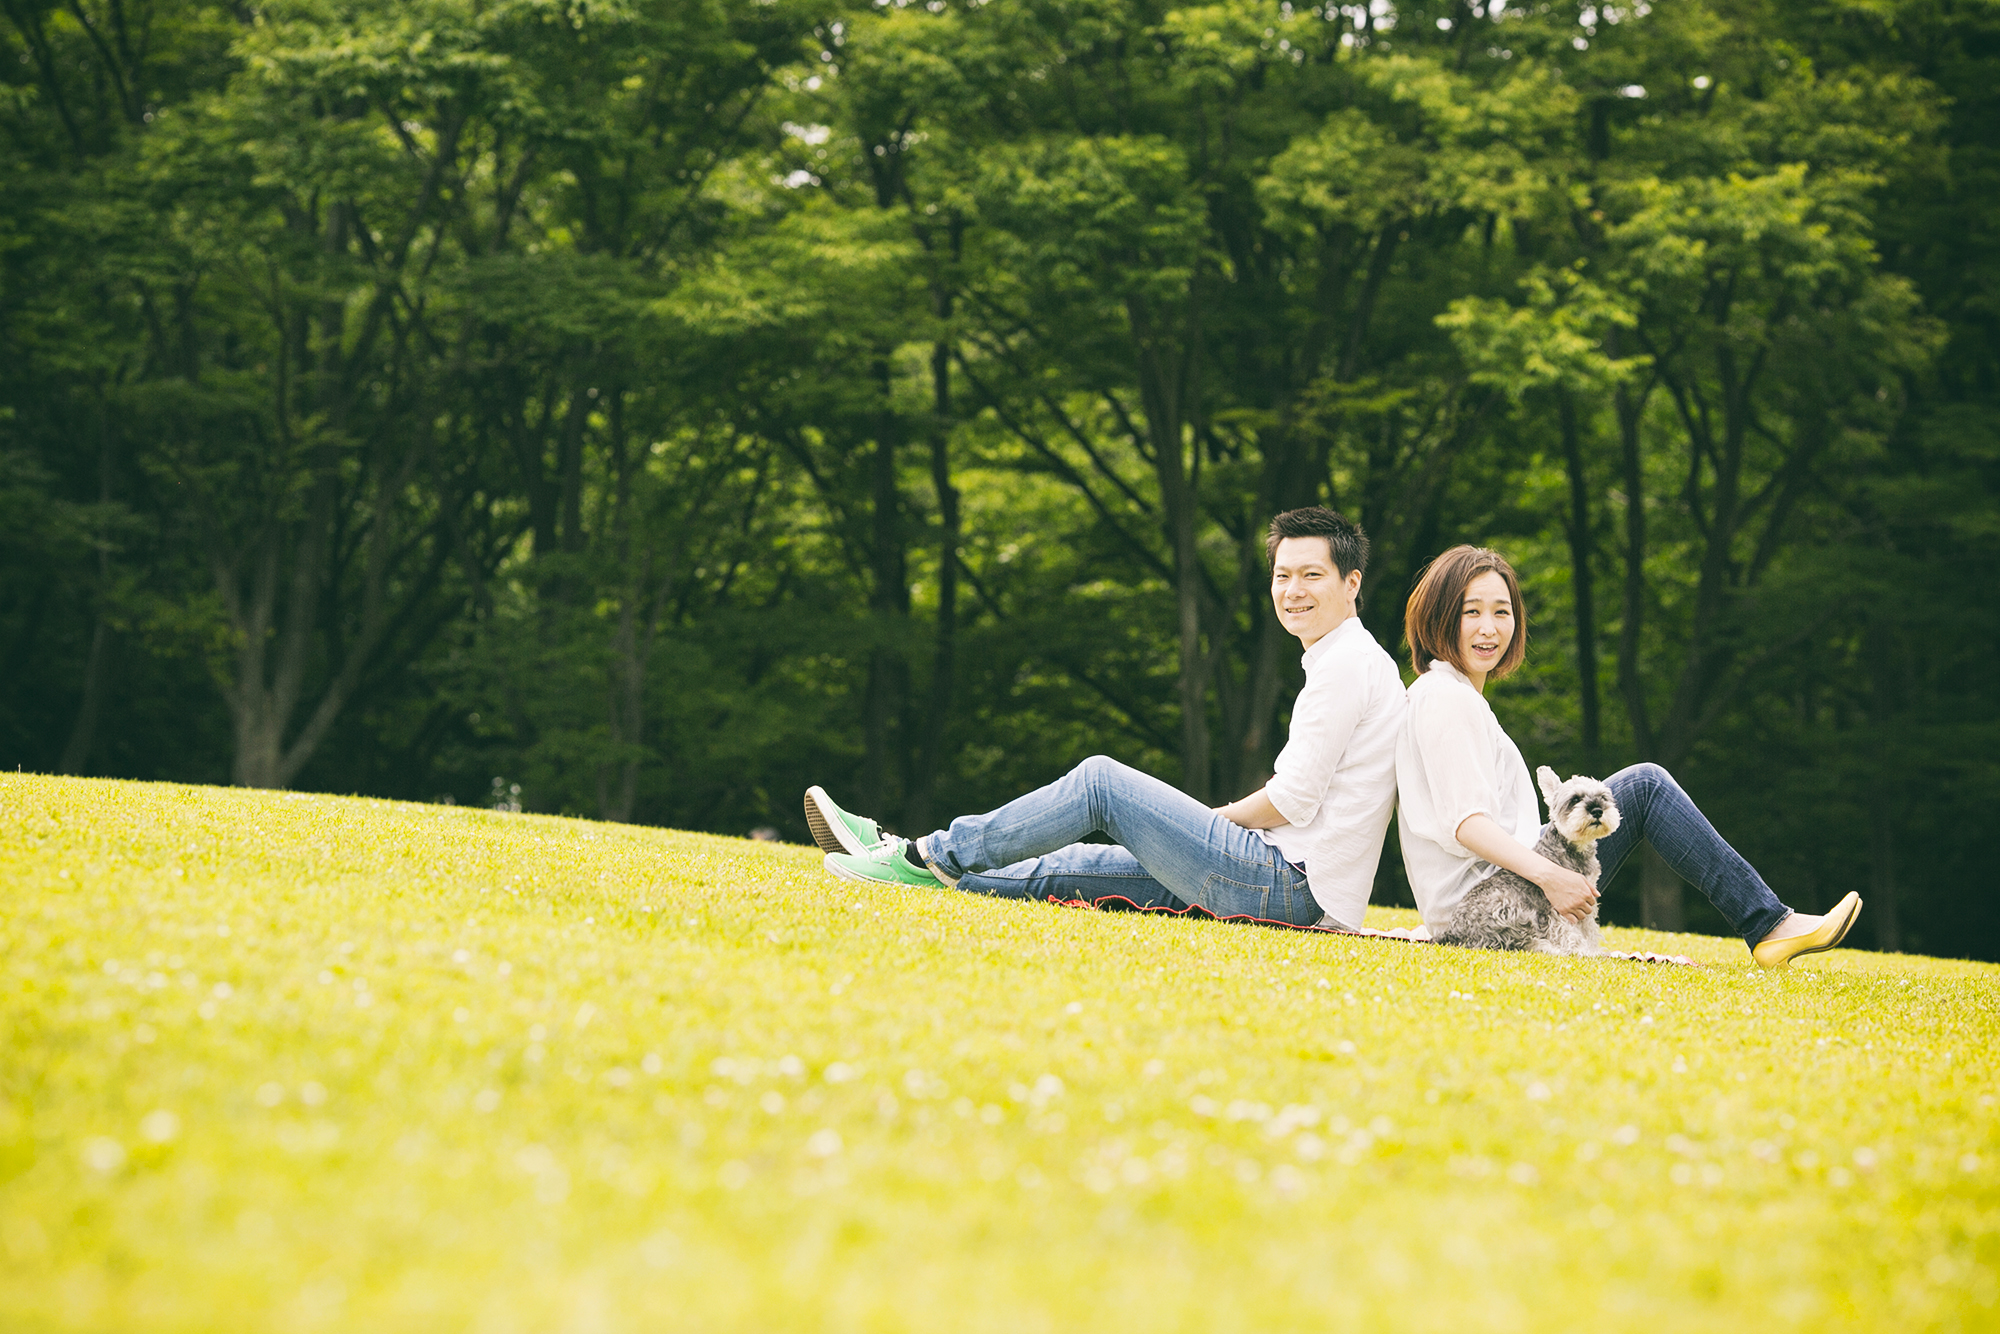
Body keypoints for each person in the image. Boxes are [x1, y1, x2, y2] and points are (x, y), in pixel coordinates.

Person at [804, 507, 1405, 931]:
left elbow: (1293, 801)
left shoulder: (1347, 663)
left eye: (1312, 575)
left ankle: (922, 854)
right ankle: (913, 864)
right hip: (1287, 882)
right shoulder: (1349, 659)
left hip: (1288, 887)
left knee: (1101, 782)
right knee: (1068, 871)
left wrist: (1203, 825)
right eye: (1282, 575)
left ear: (1351, 583)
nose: (1293, 590)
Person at [1393, 545, 1861, 968]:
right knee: (1646, 787)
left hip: (1507, 883)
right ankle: (1770, 926)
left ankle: (1769, 925)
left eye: (1502, 611)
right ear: (1438, 617)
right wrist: (1551, 877)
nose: (1489, 628)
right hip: (1489, 904)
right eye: (1471, 612)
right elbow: (1466, 822)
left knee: (1642, 788)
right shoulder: (1445, 698)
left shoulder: (1455, 695)